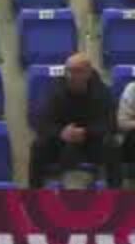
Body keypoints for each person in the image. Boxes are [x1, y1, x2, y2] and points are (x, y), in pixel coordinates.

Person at [31, 52, 117, 187]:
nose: (71, 76)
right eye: (68, 71)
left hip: (91, 142)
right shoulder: (55, 91)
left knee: (112, 145)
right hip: (60, 141)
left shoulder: (102, 92)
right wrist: (61, 133)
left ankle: (116, 193)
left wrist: (86, 132)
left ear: (88, 73)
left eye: (77, 71)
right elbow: (42, 122)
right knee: (38, 145)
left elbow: (110, 124)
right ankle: (34, 194)